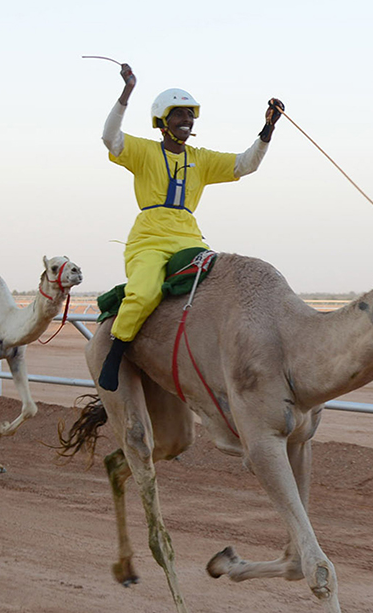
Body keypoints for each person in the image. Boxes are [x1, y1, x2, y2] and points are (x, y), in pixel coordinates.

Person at [96, 63, 283, 390]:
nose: (187, 120)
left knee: (218, 279)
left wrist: (267, 130)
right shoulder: (143, 151)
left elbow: (246, 164)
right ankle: (115, 352)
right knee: (144, 293)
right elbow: (110, 138)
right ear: (162, 122)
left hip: (188, 236)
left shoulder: (202, 158)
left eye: (190, 115)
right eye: (179, 115)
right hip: (149, 237)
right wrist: (126, 93)